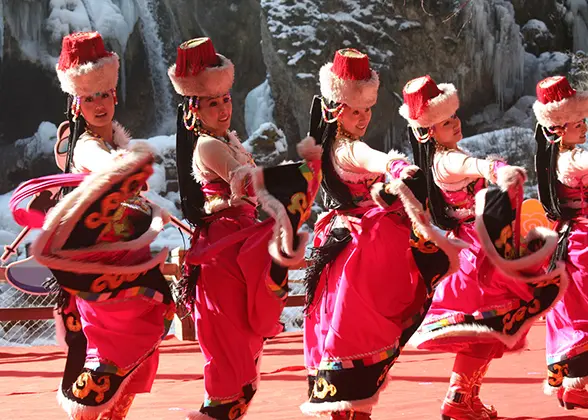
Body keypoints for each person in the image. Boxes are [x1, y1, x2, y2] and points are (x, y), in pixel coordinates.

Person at [301, 49, 465, 420]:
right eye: (354, 111)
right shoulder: (348, 148)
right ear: (334, 110)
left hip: (342, 246)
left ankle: (351, 414)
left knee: (344, 337)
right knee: (357, 335)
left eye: (366, 110)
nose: (362, 118)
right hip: (358, 251)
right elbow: (371, 157)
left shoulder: (330, 147)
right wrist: (397, 165)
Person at [168, 37, 322, 419]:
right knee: (230, 355)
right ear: (194, 109)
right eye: (212, 103)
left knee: (242, 358)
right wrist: (302, 174)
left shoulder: (227, 139)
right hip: (225, 255)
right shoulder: (207, 146)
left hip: (240, 246)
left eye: (225, 100)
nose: (223, 109)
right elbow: (246, 181)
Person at [403, 75, 567, 420]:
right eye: (447, 122)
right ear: (430, 132)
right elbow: (473, 167)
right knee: (487, 326)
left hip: (475, 246)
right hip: (475, 255)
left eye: (454, 117)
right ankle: (459, 399)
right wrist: (496, 169)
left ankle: (465, 397)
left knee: (490, 329)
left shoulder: (447, 155)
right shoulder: (447, 161)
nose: (456, 124)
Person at [31, 31, 174, 420]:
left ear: (114, 95)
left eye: (104, 95)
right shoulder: (86, 147)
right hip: (103, 268)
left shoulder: (116, 144)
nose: (99, 104)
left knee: (126, 366)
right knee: (111, 357)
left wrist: (149, 203)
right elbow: (110, 170)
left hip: (126, 260)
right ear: (77, 104)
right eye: (89, 97)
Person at [533, 75, 588, 410]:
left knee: (574, 311)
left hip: (567, 242)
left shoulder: (556, 158)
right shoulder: (571, 160)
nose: (583, 126)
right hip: (582, 242)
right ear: (558, 128)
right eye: (576, 122)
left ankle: (573, 385)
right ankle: (577, 385)